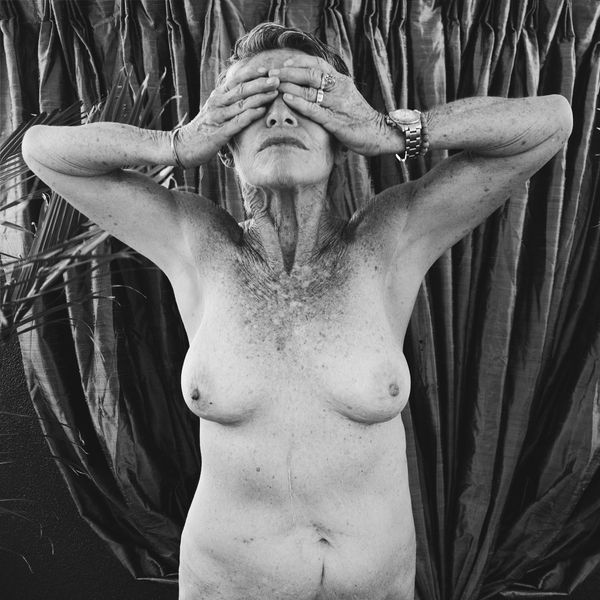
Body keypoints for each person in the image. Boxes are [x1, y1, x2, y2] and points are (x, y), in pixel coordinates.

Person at [22, 22, 572, 600]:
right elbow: (42, 152)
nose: (280, 116)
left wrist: (386, 130)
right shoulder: (195, 242)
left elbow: (551, 121)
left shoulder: (389, 241)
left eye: (308, 99)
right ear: (227, 145)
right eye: (255, 101)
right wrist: (179, 142)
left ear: (339, 136)